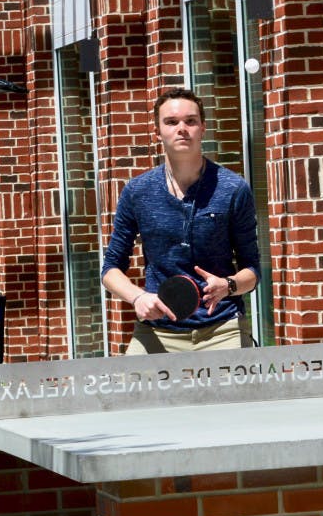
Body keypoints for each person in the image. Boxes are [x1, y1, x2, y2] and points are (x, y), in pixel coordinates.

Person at [101, 88, 260, 353]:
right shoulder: (137, 191)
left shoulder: (233, 188)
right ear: (158, 132)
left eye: (190, 121)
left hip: (222, 329)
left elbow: (252, 271)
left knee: (236, 395)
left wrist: (228, 285)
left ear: (203, 128)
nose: (182, 128)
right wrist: (137, 297)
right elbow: (110, 269)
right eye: (172, 122)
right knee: (126, 392)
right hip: (157, 330)